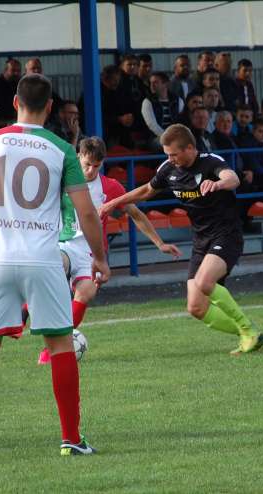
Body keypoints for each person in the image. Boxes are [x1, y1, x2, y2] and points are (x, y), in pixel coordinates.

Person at [0, 73, 110, 462]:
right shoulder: (60, 148)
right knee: (59, 346)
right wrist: (99, 257)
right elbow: (86, 210)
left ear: (15, 102)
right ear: (50, 107)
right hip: (43, 259)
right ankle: (70, 439)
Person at [101, 124, 263, 355]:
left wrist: (217, 184)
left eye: (174, 154)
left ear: (190, 148)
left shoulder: (210, 162)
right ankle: (248, 334)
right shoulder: (169, 169)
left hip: (226, 234)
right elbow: (146, 191)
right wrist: (113, 203)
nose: (170, 159)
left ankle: (248, 330)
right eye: (167, 154)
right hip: (201, 239)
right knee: (196, 307)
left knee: (205, 282)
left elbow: (233, 178)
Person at [35, 137, 181, 364]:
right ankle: (24, 310)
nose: (91, 170)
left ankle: (51, 350)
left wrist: (159, 243)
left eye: (96, 165)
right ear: (79, 157)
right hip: (63, 245)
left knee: (87, 292)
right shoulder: (62, 179)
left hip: (92, 253)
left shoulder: (110, 187)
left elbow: (136, 214)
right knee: (55, 266)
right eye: (87, 164)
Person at [142, 72, 183, 141]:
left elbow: (182, 120)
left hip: (175, 136)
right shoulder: (147, 102)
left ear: (166, 84)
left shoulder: (177, 100)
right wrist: (168, 137)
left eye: (155, 82)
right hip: (155, 137)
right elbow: (152, 125)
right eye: (151, 83)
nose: (152, 85)